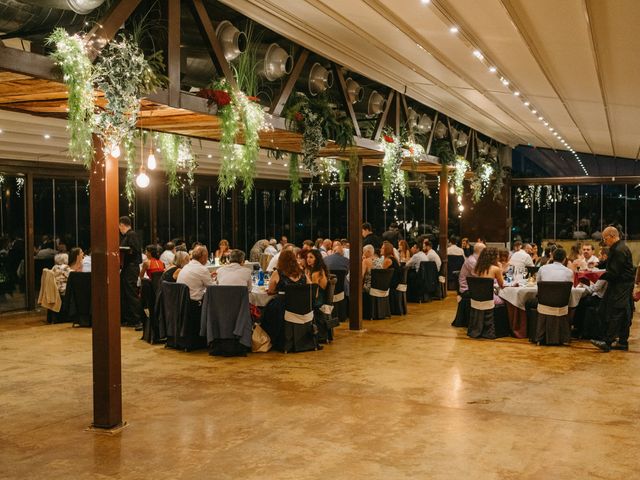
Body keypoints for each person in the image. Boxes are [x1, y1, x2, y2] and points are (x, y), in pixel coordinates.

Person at [591, 227, 635, 352]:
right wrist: (597, 266)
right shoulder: (617, 247)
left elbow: (614, 272)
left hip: (621, 285)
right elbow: (610, 263)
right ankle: (622, 341)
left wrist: (597, 275)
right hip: (621, 284)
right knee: (623, 313)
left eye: (605, 238)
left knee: (615, 312)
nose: (604, 241)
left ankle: (607, 342)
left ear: (612, 236)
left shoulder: (619, 249)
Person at [119, 216, 142, 327]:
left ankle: (137, 319)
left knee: (131, 292)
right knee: (125, 292)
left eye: (119, 226)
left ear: (122, 225)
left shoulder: (131, 235)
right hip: (127, 267)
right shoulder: (127, 236)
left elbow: (135, 249)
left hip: (131, 267)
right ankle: (129, 318)